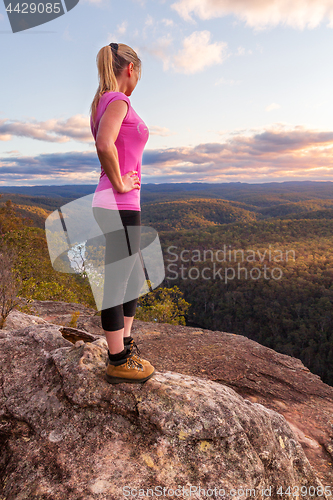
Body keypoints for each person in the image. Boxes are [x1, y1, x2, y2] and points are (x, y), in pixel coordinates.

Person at [90, 42, 155, 384]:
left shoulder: (101, 102)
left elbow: (107, 143)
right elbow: (104, 144)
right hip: (118, 203)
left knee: (133, 275)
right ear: (131, 68)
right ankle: (116, 359)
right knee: (118, 280)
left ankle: (124, 344)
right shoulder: (117, 100)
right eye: (139, 72)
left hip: (115, 203)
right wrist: (121, 183)